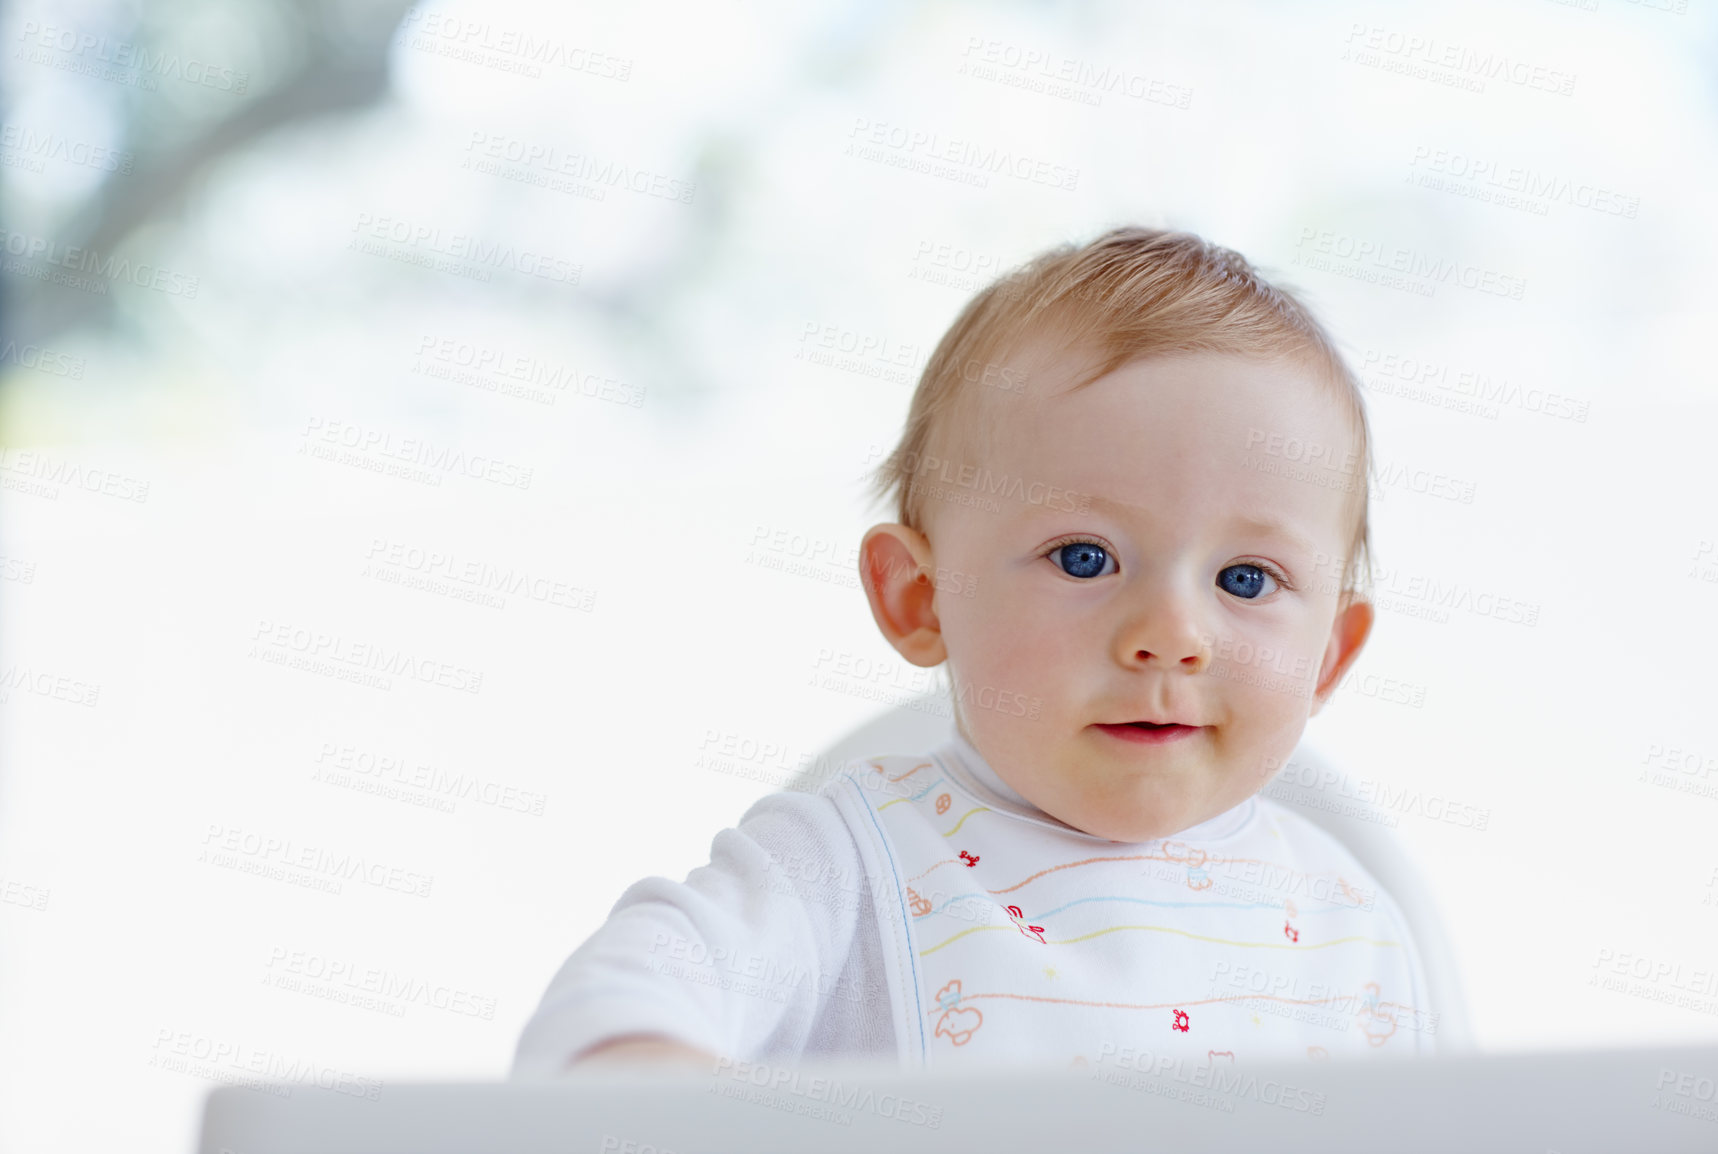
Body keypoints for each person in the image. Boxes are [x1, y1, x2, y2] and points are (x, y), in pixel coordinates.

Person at [511, 226, 1437, 1079]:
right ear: (922, 598)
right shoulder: (843, 864)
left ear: (1328, 656)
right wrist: (644, 1076)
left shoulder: (1351, 929)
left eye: (1245, 579)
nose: (1171, 635)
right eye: (1085, 558)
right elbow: (623, 995)